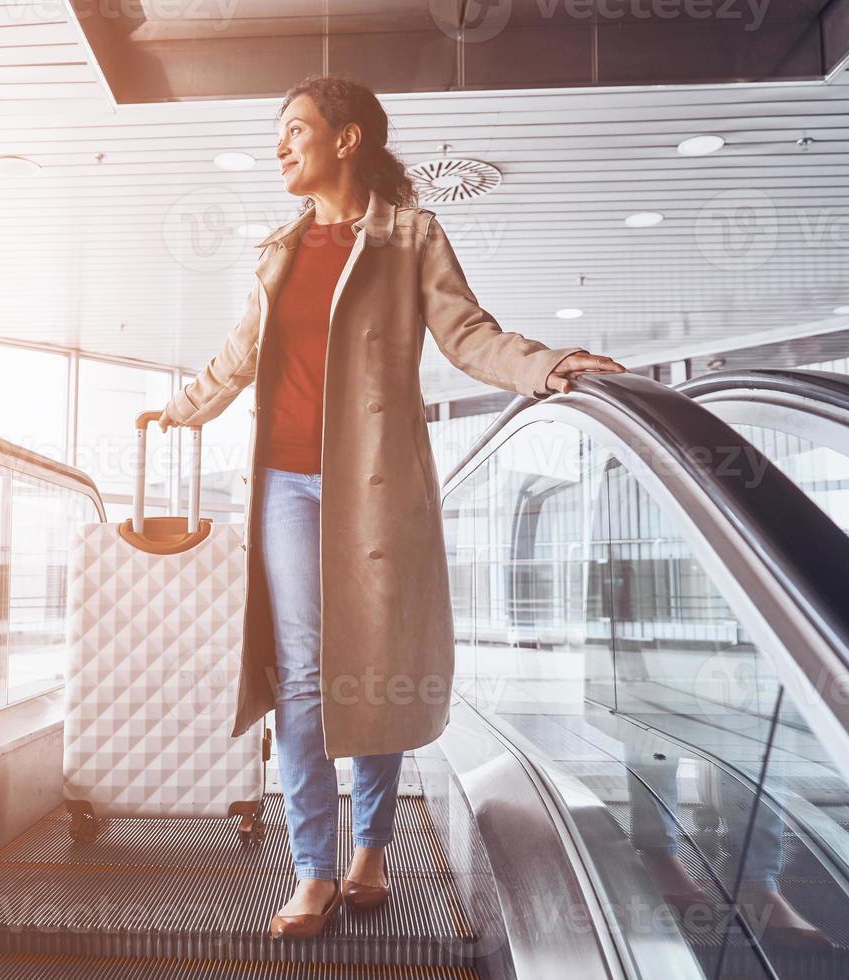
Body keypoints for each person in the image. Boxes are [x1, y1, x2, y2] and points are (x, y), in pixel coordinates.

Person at [157, 74, 627, 939]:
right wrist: (181, 409)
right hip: (285, 487)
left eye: (295, 128)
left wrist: (544, 365)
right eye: (278, 132)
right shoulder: (277, 248)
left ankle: (370, 846)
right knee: (300, 676)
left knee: (371, 665)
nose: (280, 145)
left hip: (374, 486)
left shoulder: (411, 236)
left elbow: (467, 332)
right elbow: (238, 355)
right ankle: (311, 869)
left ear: (347, 140)